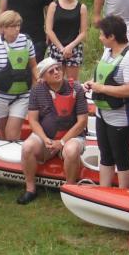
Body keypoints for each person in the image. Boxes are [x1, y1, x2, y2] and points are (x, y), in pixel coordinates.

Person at [17, 59, 89, 204]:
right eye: (51, 71)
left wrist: (61, 142)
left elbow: (82, 122)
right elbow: (33, 120)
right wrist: (45, 139)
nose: (56, 72)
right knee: (27, 147)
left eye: (58, 69)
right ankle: (30, 189)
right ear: (43, 77)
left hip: (71, 137)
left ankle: (70, 190)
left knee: (71, 150)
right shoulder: (37, 90)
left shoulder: (76, 88)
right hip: (46, 137)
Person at [85, 15, 129, 189]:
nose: (100, 37)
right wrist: (91, 83)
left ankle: (124, 194)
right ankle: (104, 191)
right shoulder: (107, 51)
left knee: (121, 157)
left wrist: (101, 88)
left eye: (102, 34)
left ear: (112, 36)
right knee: (105, 155)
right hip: (102, 113)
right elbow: (102, 78)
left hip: (121, 116)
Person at [0, 10, 38, 142]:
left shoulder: (26, 42)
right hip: (0, 95)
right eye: (13, 26)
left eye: (18, 25)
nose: (17, 29)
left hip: (22, 95)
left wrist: (35, 88)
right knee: (3, 133)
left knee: (12, 134)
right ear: (3, 28)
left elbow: (33, 67)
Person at [45, 0, 89, 82]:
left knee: (72, 82)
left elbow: (83, 32)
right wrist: (61, 48)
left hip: (74, 48)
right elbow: (49, 30)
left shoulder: (81, 7)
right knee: (55, 81)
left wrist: (70, 46)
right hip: (56, 47)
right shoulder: (53, 6)